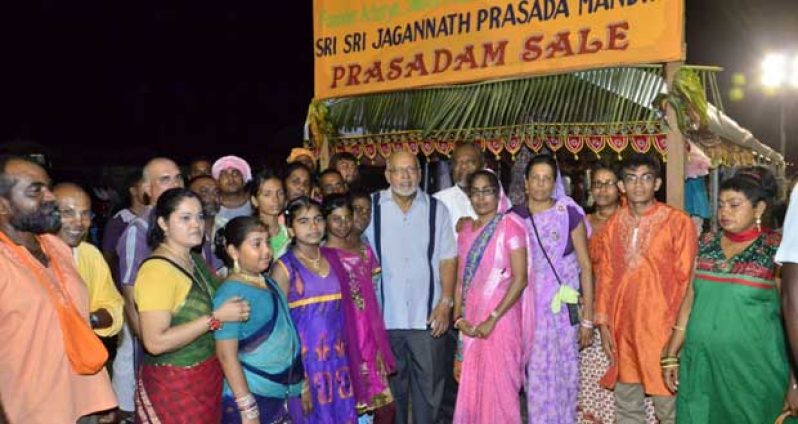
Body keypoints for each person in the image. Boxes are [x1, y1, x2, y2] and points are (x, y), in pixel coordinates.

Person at [662, 167, 794, 423]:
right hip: (701, 369)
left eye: (734, 205)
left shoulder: (776, 252)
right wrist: (671, 352)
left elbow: (792, 315)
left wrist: (795, 380)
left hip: (753, 374)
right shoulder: (707, 243)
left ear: (759, 209)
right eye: (720, 205)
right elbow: (690, 300)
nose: (724, 212)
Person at [0, 156, 116, 423]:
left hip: (82, 405)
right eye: (35, 190)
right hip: (28, 412)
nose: (51, 197)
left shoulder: (56, 248)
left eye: (48, 187)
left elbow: (77, 326)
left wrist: (100, 397)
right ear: (3, 205)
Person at [594, 154, 697, 424]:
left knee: (669, 407)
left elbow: (688, 281)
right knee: (627, 406)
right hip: (623, 331)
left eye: (646, 178)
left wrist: (678, 334)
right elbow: (605, 275)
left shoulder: (678, 222)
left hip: (661, 332)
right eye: (631, 178)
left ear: (658, 183)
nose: (638, 185)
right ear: (621, 186)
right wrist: (604, 324)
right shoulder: (614, 224)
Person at [134, 188, 249, 423]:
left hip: (206, 380)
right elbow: (155, 342)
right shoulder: (157, 271)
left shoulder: (194, 260)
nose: (196, 224)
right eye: (185, 218)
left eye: (199, 216)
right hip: (172, 388)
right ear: (163, 223)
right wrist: (215, 318)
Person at [365, 151, 458, 424]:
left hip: (427, 319)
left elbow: (448, 259)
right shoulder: (370, 208)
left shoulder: (436, 209)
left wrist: (446, 303)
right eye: (399, 170)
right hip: (385, 320)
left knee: (430, 392)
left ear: (419, 173)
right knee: (392, 396)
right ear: (387, 174)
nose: (405, 176)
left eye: (411, 170)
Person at [512, 154, 594, 424]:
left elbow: (585, 265)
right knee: (536, 378)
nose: (541, 184)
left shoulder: (568, 214)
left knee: (566, 375)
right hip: (529, 312)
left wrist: (587, 320)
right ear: (525, 182)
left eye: (547, 179)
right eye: (535, 178)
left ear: (555, 182)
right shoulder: (513, 218)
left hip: (564, 311)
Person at [271, 197, 358, 423]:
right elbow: (279, 328)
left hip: (339, 361)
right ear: (290, 229)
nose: (313, 226)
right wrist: (299, 380)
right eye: (304, 221)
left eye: (318, 219)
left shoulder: (334, 260)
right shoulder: (284, 268)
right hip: (306, 365)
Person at [452, 170, 528, 423]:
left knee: (501, 392)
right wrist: (458, 318)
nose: (482, 198)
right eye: (476, 192)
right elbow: (461, 279)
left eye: (488, 191)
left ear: (498, 194)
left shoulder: (511, 226)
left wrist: (492, 318)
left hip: (501, 322)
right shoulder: (464, 231)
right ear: (469, 197)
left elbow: (520, 279)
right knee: (472, 392)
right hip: (471, 322)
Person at [214, 217, 304, 423]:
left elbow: (289, 333)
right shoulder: (230, 293)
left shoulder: (268, 282)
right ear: (233, 252)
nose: (266, 251)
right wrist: (247, 408)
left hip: (282, 393)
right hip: (252, 396)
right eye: (256, 244)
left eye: (268, 242)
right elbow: (226, 355)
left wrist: (301, 383)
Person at [114, 157, 183, 418]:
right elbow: (130, 299)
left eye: (178, 177)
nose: (175, 183)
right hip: (158, 352)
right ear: (146, 190)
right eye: (164, 179)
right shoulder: (138, 232)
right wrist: (149, 350)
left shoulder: (189, 227)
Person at [323, 194, 397, 422]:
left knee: (386, 407)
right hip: (343, 334)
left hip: (370, 333)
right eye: (336, 219)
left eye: (347, 217)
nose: (343, 223)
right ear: (324, 221)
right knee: (350, 404)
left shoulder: (365, 251)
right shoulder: (321, 257)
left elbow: (372, 297)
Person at [54, 183, 124, 339]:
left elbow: (114, 306)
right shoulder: (31, 255)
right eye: (68, 213)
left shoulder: (89, 254)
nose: (79, 222)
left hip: (85, 354)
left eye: (85, 214)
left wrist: (89, 320)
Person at [102, 172, 147, 284]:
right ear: (133, 191)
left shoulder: (156, 217)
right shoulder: (120, 221)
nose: (149, 189)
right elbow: (108, 257)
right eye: (145, 185)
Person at [434, 143, 483, 235]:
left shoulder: (497, 199)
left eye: (470, 162)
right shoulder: (439, 201)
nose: (463, 166)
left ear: (482, 166)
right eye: (458, 162)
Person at [250, 170, 291, 259]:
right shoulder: (248, 236)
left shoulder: (291, 233)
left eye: (280, 193)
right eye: (267, 194)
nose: (275, 199)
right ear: (254, 200)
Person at [188, 175, 224, 272]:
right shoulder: (183, 232)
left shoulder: (228, 227)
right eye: (204, 193)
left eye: (216, 193)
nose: (212, 197)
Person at [213, 155, 254, 228]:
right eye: (224, 175)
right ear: (217, 182)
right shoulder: (212, 205)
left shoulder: (255, 203)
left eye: (235, 174)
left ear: (244, 180)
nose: (231, 179)